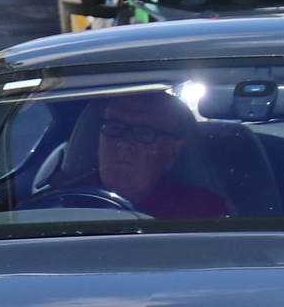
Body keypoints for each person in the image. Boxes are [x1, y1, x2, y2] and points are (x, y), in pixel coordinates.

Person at [79, 93, 227, 217]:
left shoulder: (202, 212)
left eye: (143, 132)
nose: (123, 143)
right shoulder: (63, 205)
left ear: (172, 152)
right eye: (114, 127)